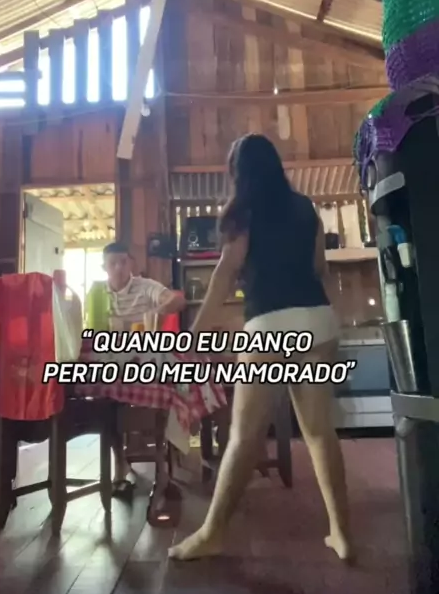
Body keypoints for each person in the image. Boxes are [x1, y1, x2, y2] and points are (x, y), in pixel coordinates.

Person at [168, 134, 352, 562]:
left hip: (270, 327)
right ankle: (342, 534)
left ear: (239, 172)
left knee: (244, 437)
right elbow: (320, 269)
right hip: (318, 322)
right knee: (320, 433)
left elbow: (224, 274)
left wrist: (193, 334)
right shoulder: (305, 208)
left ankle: (212, 533)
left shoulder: (244, 211)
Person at [86, 241, 185, 497]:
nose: (119, 268)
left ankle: (161, 464)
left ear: (130, 263)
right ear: (104, 267)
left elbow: (176, 300)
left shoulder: (145, 286)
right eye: (113, 263)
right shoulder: (97, 294)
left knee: (167, 381)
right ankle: (120, 461)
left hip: (145, 359)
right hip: (113, 361)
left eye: (123, 261)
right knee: (104, 395)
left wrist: (159, 309)